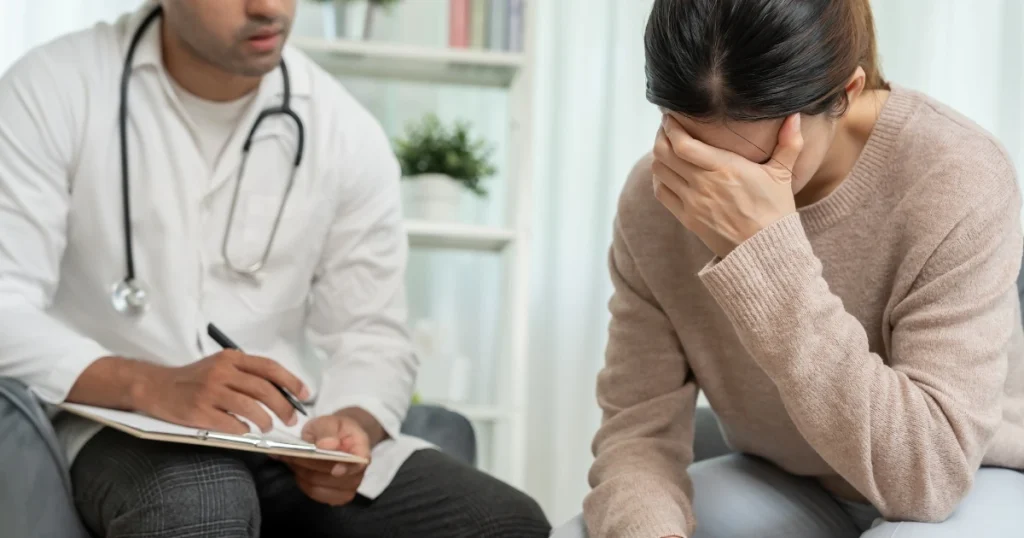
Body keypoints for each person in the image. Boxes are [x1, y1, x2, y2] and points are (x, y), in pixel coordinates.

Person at [0, 1, 549, 537]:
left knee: (503, 522)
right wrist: (150, 384)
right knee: (204, 501)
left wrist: (350, 425)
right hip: (113, 423)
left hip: (280, 434)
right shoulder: (52, 89)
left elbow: (371, 334)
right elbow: (6, 303)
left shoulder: (343, 130)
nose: (268, 7)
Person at [554, 0, 1024, 537]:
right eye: (695, 149)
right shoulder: (659, 198)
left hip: (968, 483)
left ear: (846, 94)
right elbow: (637, 437)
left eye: (758, 161)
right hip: (786, 481)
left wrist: (764, 255)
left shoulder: (956, 173)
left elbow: (927, 478)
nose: (722, 188)